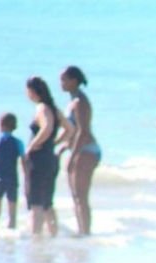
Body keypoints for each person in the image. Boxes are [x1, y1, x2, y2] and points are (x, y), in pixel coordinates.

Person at [25, 76, 71, 236]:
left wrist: (32, 145)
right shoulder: (54, 108)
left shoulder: (42, 108)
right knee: (47, 203)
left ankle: (36, 238)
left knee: (36, 203)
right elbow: (70, 129)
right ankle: (53, 236)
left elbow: (47, 127)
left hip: (39, 159)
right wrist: (54, 143)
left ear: (32, 91)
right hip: (50, 157)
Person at [59, 66, 101, 236]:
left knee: (81, 196)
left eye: (64, 79)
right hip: (78, 149)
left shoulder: (80, 102)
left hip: (86, 149)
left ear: (74, 81)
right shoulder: (72, 101)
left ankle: (85, 232)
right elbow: (72, 130)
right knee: (76, 195)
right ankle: (81, 231)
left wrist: (73, 156)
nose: (61, 83)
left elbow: (83, 131)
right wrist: (62, 146)